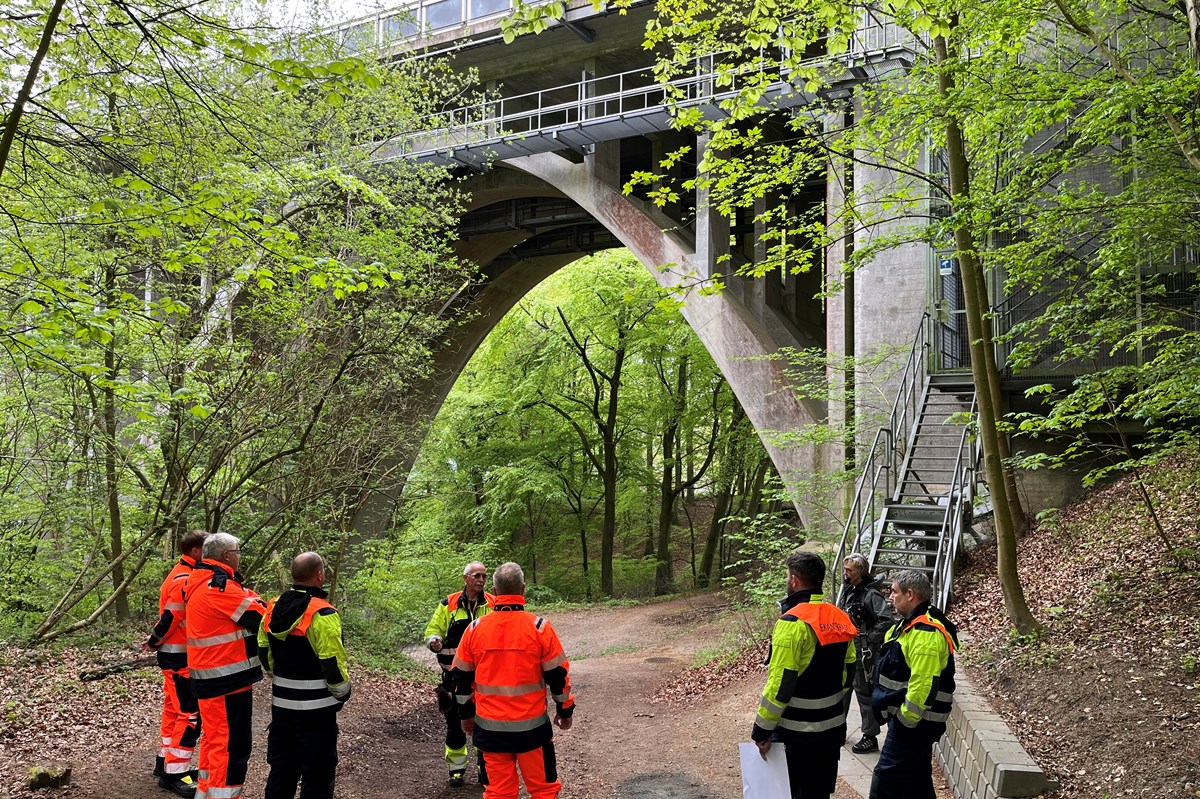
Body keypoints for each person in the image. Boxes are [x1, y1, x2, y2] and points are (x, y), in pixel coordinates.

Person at [450, 561, 575, 799]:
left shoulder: (475, 629)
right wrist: (565, 711)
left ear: (495, 593)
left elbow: (461, 680)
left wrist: (466, 716)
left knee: (498, 794)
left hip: (490, 731)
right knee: (544, 791)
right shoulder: (539, 628)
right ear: (523, 589)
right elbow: (558, 676)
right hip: (533, 731)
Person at [751, 551, 858, 799]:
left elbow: (780, 686)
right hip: (830, 732)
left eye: (788, 576)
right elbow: (847, 674)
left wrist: (762, 731)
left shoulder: (791, 623)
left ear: (795, 580)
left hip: (795, 736)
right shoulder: (841, 618)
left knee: (790, 792)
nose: (787, 580)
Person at [258, 552, 351, 799]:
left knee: (282, 771)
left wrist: (279, 677)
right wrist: (342, 693)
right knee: (317, 776)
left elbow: (263, 650)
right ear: (319, 575)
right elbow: (331, 662)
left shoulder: (272, 607)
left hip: (282, 710)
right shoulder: (323, 613)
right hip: (317, 715)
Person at [184, 532, 267, 799]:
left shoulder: (203, 582)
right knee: (231, 745)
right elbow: (263, 618)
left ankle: (206, 792)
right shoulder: (219, 588)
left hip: (213, 677)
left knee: (214, 740)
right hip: (224, 679)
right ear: (226, 555)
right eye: (238, 551)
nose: (240, 556)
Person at [869, 569, 959, 799]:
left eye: (894, 592)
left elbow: (922, 687)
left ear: (910, 594)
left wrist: (904, 721)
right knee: (916, 780)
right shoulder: (908, 626)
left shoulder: (926, 633)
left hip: (913, 725)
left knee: (885, 780)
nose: (890, 597)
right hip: (914, 723)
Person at [146, 530, 208, 797]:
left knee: (173, 709)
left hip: (175, 656)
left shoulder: (181, 572)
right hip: (180, 657)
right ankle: (175, 773)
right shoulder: (184, 578)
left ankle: (165, 762)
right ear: (196, 551)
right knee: (189, 714)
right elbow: (171, 618)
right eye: (207, 549)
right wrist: (154, 640)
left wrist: (156, 641)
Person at [424, 560, 495, 787]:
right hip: (453, 679)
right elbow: (433, 630)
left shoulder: (493, 604)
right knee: (455, 726)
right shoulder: (448, 604)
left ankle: (486, 770)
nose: (481, 580)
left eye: (484, 576)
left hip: (486, 680)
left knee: (486, 726)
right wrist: (434, 641)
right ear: (465, 578)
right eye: (476, 575)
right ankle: (456, 770)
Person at [836, 553, 894, 754]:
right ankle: (838, 730)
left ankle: (870, 736)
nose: (845, 573)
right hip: (847, 648)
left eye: (849, 570)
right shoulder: (848, 590)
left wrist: (869, 637)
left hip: (863, 652)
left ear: (860, 571)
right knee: (842, 690)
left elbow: (886, 620)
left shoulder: (871, 594)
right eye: (845, 569)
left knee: (864, 694)